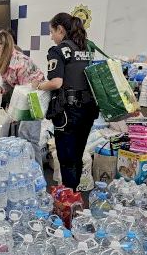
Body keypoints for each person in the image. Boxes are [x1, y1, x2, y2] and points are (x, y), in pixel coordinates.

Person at [32, 13, 98, 191]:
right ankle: (75, 194)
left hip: (69, 112)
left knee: (67, 159)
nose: (51, 37)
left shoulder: (58, 50)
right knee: (77, 155)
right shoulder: (86, 48)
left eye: (52, 32)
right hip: (88, 109)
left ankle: (69, 200)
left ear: (60, 29)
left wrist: (39, 85)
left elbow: (56, 83)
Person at [0, 30, 45, 167]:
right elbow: (8, 84)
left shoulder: (21, 62)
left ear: (6, 46)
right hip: (23, 100)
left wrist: (16, 113)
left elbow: (26, 92)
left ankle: (37, 177)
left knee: (29, 139)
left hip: (33, 101)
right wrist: (0, 89)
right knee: (14, 136)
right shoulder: (6, 63)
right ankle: (23, 170)